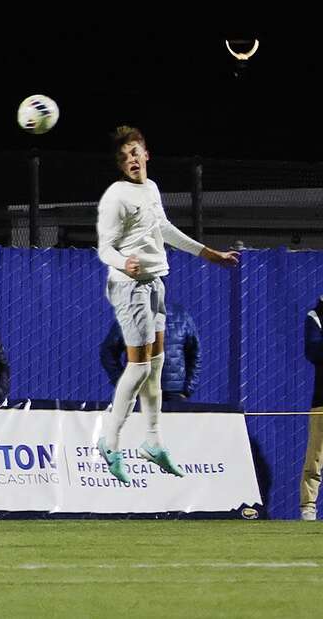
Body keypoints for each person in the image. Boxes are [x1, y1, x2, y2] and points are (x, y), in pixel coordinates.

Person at [94, 125, 239, 483]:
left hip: (156, 283)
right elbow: (105, 247)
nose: (131, 159)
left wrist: (208, 253)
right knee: (140, 367)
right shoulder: (116, 196)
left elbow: (165, 229)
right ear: (120, 163)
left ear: (146, 154)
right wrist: (121, 262)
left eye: (135, 152)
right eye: (124, 155)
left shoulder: (152, 189)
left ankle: (153, 440)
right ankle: (109, 440)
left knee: (155, 367)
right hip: (131, 287)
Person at [102, 303, 198, 402]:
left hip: (171, 393)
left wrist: (187, 390)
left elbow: (195, 353)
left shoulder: (181, 316)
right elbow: (108, 352)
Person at [302, 295, 323, 521]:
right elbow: (314, 351)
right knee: (315, 457)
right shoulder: (315, 316)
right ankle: (308, 506)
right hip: (322, 399)